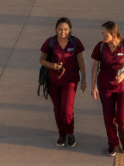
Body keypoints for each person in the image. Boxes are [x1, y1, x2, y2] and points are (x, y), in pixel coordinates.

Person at [91, 21, 124, 156]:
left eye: (104, 33)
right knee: (108, 117)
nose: (102, 35)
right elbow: (95, 66)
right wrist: (93, 85)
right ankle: (113, 143)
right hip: (105, 86)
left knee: (122, 117)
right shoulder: (101, 47)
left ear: (112, 33)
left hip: (123, 86)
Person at [39, 17, 86, 148]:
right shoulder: (50, 42)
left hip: (71, 81)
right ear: (56, 30)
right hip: (54, 82)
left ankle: (70, 133)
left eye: (65, 29)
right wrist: (52, 65)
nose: (63, 32)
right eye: (60, 29)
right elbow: (41, 60)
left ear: (70, 29)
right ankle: (62, 134)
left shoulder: (75, 42)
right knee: (58, 109)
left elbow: (81, 61)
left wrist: (84, 79)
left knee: (67, 110)